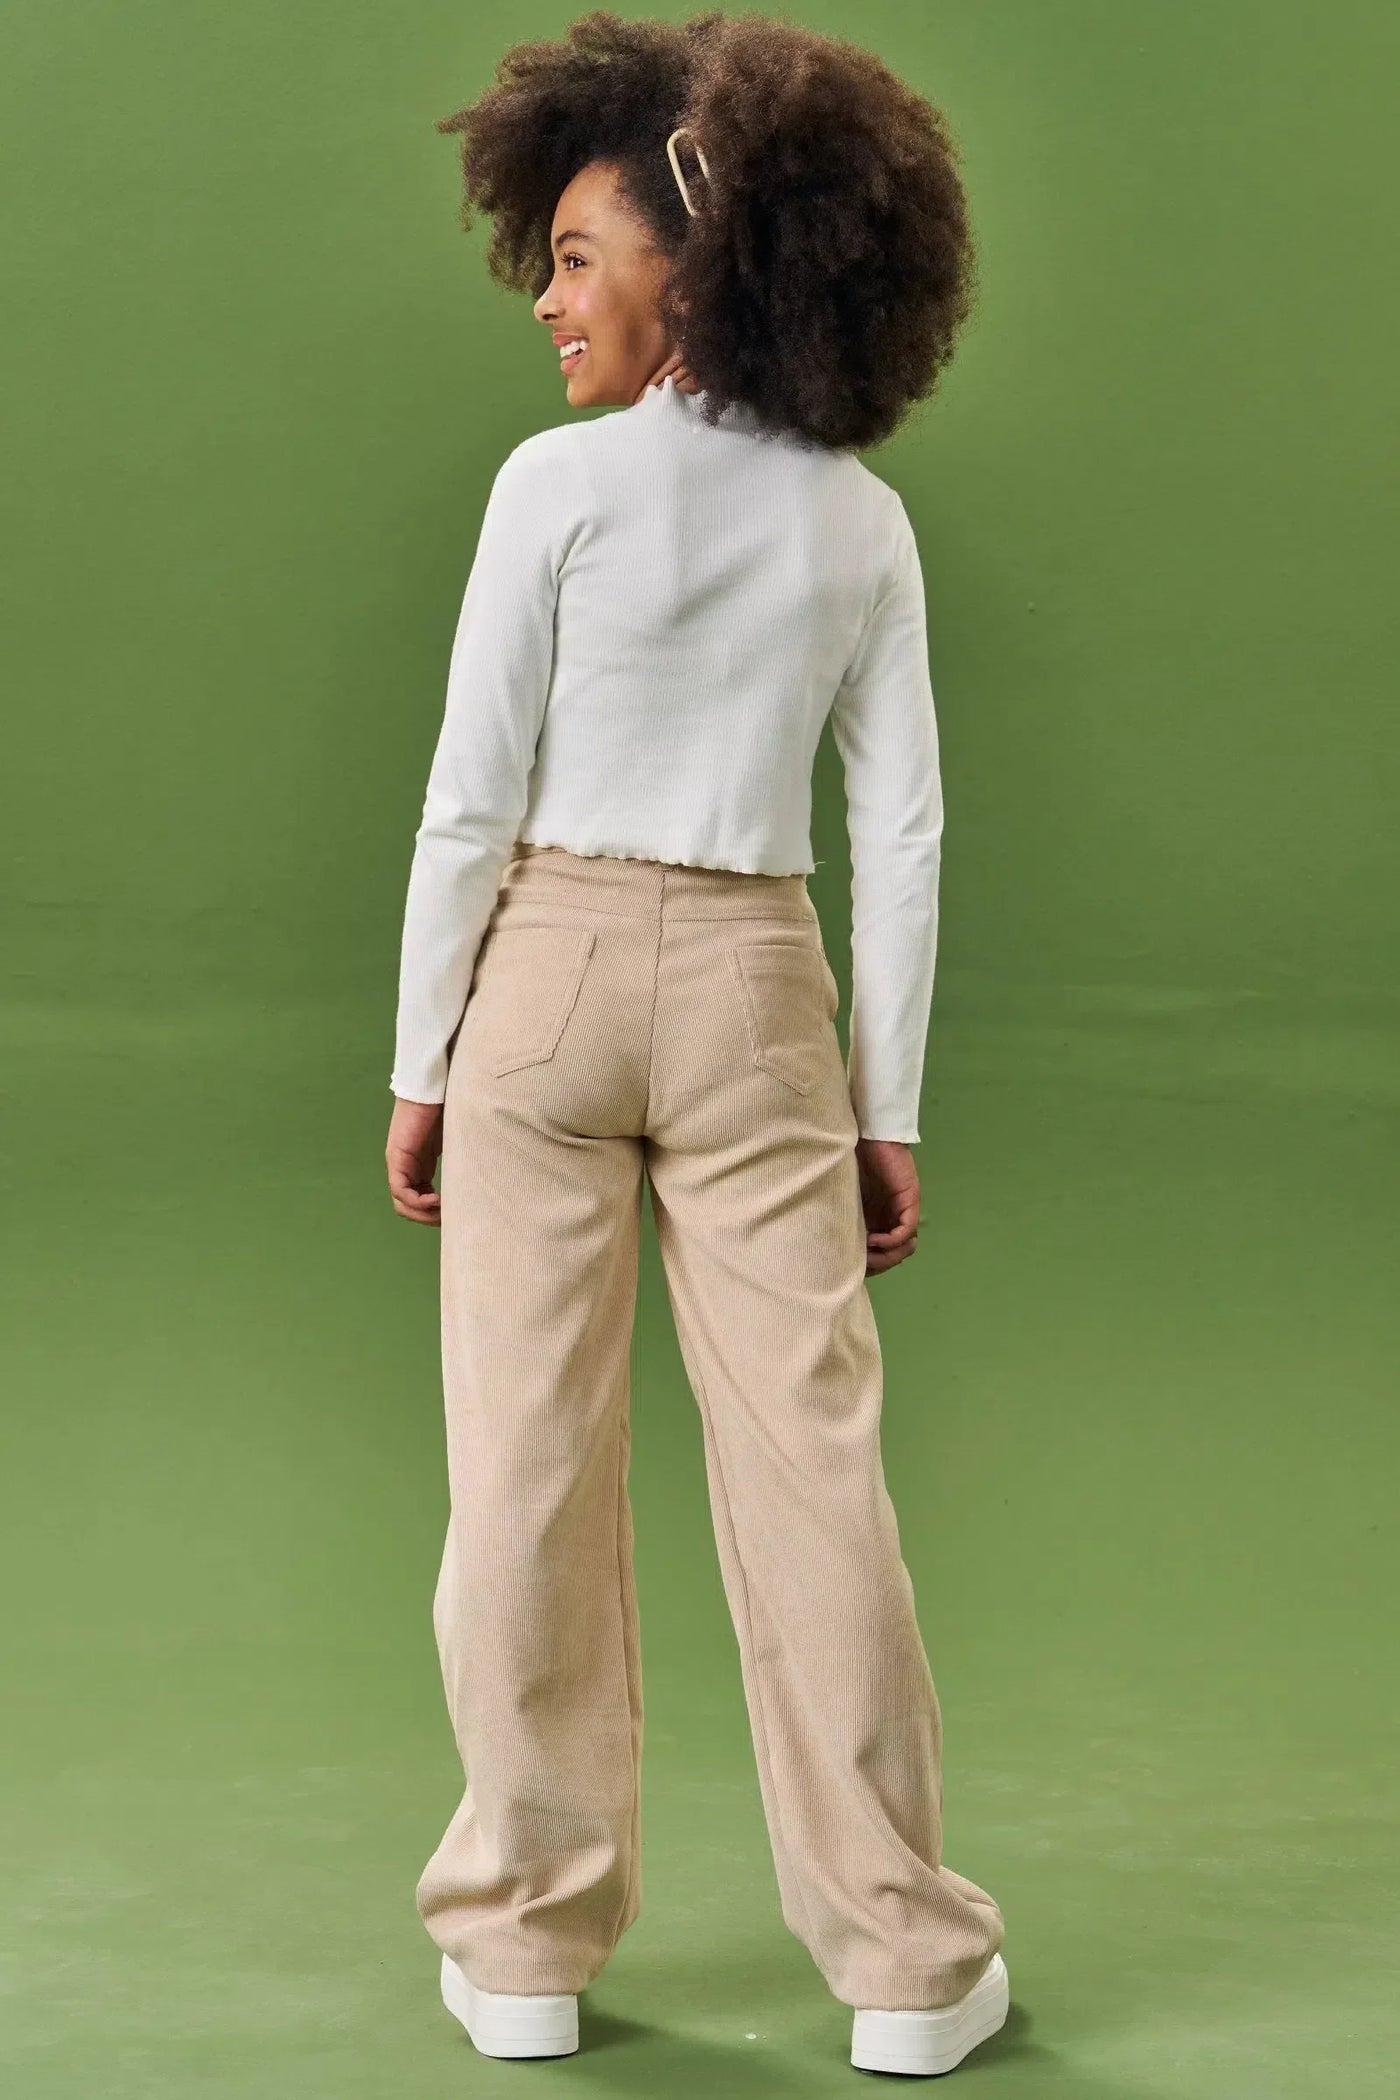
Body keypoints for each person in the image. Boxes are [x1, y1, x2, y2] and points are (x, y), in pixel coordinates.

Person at [385, 11, 1008, 2078]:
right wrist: (884, 1105)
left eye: (579, 256)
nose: (549, 297)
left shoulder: (551, 488)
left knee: (522, 1471)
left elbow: (467, 802)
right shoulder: (859, 523)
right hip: (760, 992)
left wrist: (423, 1061)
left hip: (541, 985)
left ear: (699, 258)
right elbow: (900, 836)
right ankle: (904, 1963)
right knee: (813, 1471)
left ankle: (523, 1946)